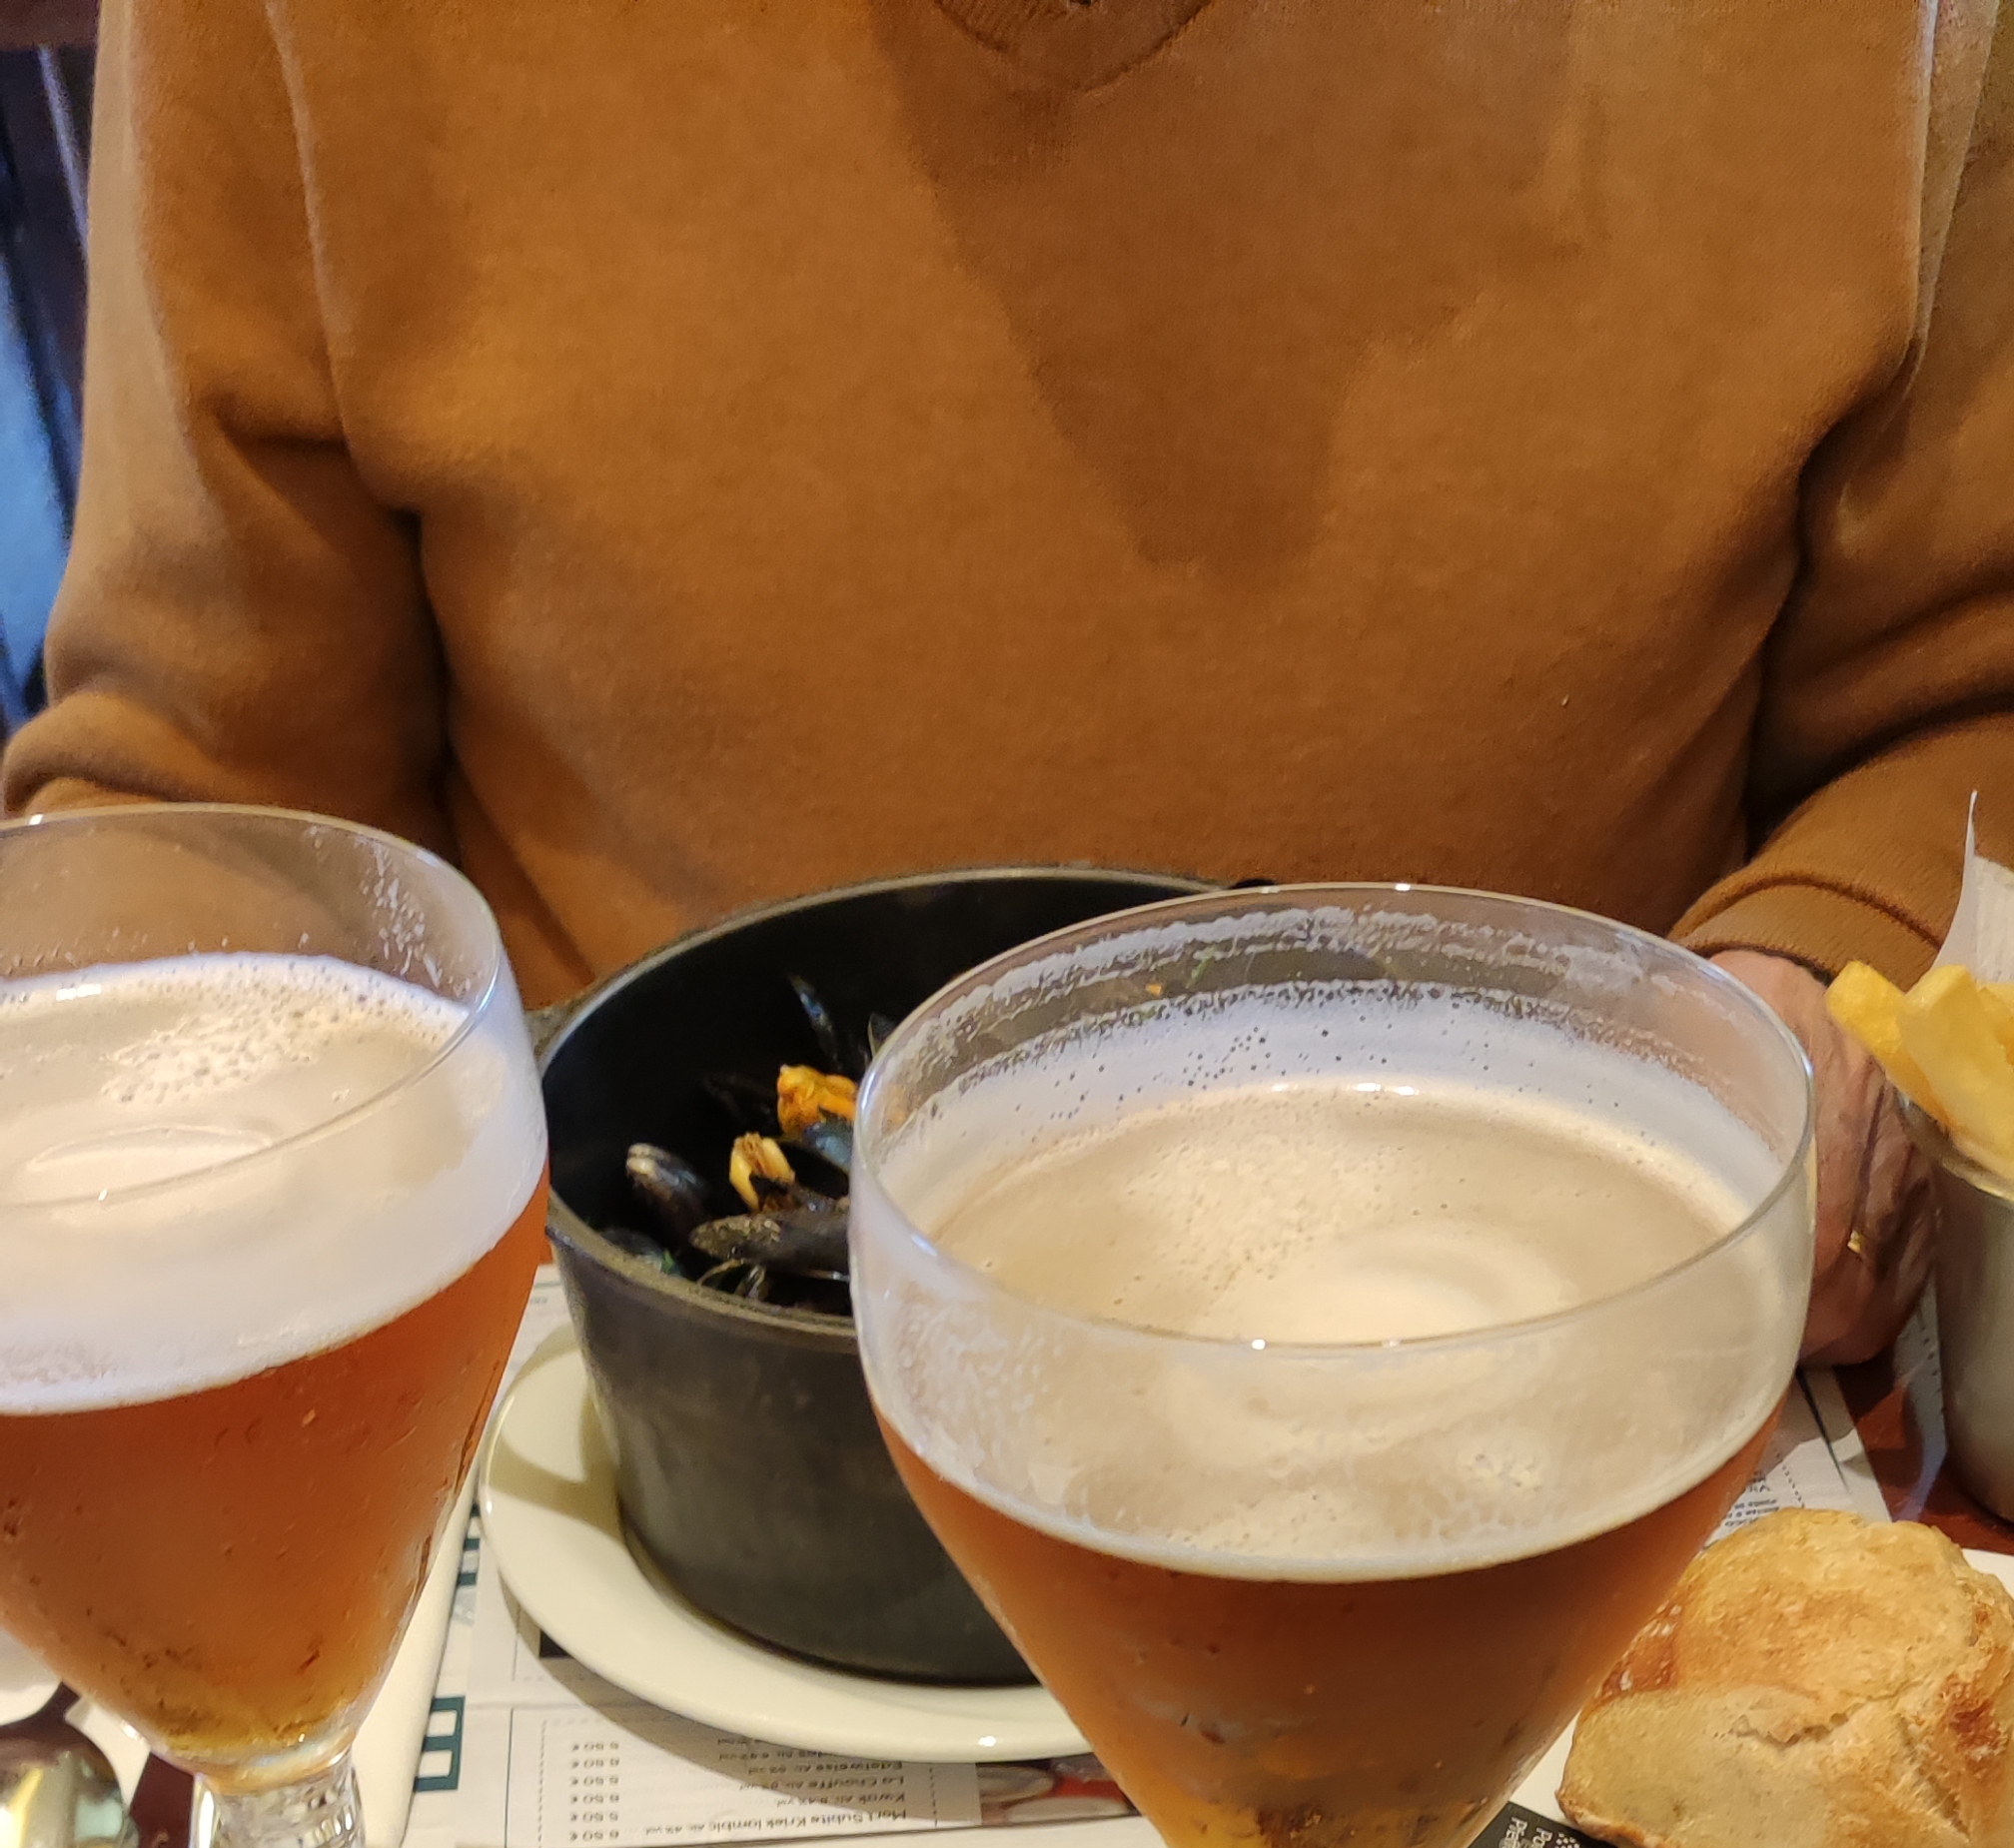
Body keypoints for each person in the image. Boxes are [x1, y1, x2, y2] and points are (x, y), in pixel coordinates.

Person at [10, 0, 2014, 1369]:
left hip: (1584, 1393)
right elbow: (213, 812)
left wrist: (1817, 996)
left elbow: (1964, 702)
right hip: (627, 1399)